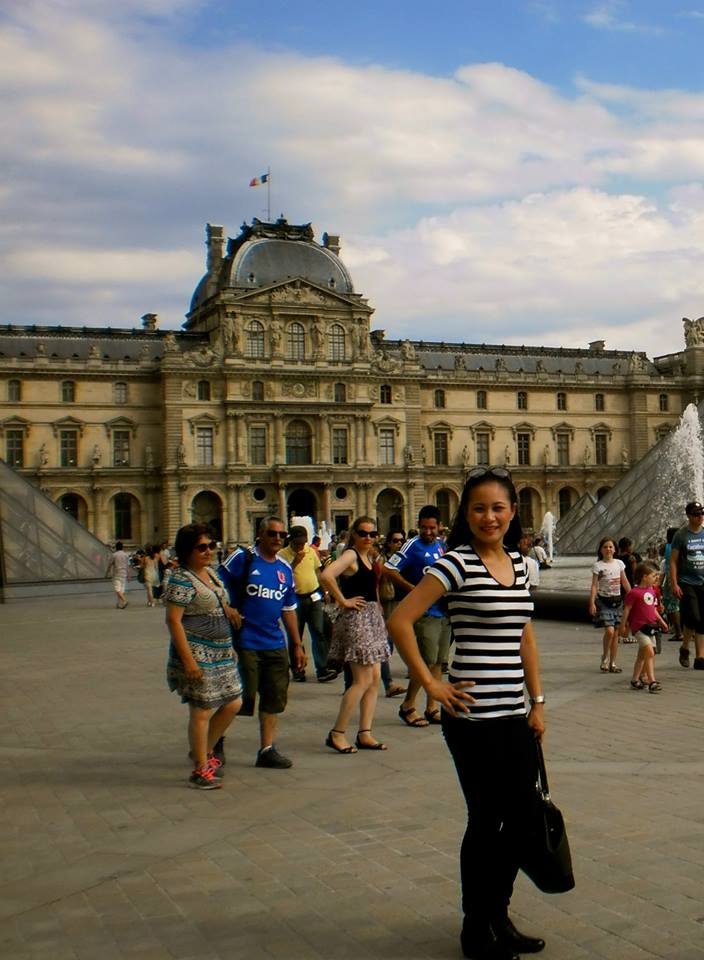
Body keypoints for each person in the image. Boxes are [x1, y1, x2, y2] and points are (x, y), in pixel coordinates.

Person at [387, 466, 546, 960]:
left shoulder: (520, 564)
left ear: (513, 512)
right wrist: (433, 684)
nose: (489, 516)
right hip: (472, 718)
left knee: (520, 821)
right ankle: (477, 926)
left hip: (514, 715)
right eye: (478, 508)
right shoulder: (454, 564)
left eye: (498, 507)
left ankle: (498, 914)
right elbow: (401, 618)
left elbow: (524, 634)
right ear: (466, 514)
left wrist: (536, 703)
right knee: (487, 820)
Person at [218, 517, 305, 768]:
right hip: (245, 640)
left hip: (274, 643)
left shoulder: (284, 568)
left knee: (273, 698)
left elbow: (288, 608)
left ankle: (267, 749)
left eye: (281, 535)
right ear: (260, 534)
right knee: (238, 696)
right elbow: (214, 582)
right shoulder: (243, 558)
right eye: (272, 533)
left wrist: (297, 644)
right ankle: (217, 739)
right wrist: (227, 607)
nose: (277, 538)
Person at [164, 524, 242, 790]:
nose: (209, 550)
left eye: (212, 545)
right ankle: (200, 769)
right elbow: (174, 622)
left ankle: (203, 752)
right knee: (202, 710)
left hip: (221, 652)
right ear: (187, 550)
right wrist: (188, 661)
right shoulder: (181, 580)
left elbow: (219, 602)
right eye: (202, 547)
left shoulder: (210, 573)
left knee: (233, 703)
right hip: (198, 653)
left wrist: (228, 614)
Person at [319, 516, 391, 754]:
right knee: (361, 680)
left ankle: (365, 732)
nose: (368, 538)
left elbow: (372, 588)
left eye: (373, 534)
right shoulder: (351, 555)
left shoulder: (368, 556)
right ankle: (337, 733)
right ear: (354, 533)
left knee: (374, 678)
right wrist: (343, 601)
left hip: (370, 618)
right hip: (357, 620)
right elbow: (327, 575)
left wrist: (378, 609)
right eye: (363, 533)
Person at [383, 506, 449, 727]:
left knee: (438, 662)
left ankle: (432, 707)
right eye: (424, 527)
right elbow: (389, 569)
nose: (428, 532)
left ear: (439, 526)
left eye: (432, 528)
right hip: (424, 612)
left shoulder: (442, 546)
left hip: (441, 610)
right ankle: (408, 705)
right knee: (426, 661)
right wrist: (413, 590)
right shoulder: (412, 545)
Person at [278, 526, 337, 683]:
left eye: (302, 543)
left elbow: (317, 572)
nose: (300, 546)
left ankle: (322, 668)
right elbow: (281, 577)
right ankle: (298, 668)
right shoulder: (282, 555)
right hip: (293, 599)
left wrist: (324, 591)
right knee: (295, 635)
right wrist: (294, 562)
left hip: (313, 596)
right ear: (290, 541)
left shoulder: (310, 551)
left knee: (318, 631)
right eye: (296, 543)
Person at [621, 561, 668, 693]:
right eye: (654, 576)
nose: (656, 578)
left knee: (642, 656)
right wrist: (623, 626)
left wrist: (661, 621)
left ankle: (635, 680)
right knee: (649, 651)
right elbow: (627, 610)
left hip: (650, 627)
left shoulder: (651, 591)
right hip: (639, 627)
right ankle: (652, 681)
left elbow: (652, 609)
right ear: (644, 577)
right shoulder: (634, 593)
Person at [669, 500, 704, 670]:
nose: (700, 517)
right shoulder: (681, 535)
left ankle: (699, 657)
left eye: (702, 514)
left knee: (701, 620)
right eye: (697, 514)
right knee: (695, 617)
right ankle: (684, 647)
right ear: (689, 516)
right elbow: (673, 561)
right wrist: (674, 583)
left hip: (703, 582)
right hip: (687, 583)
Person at [588, 537, 631, 673]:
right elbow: (594, 585)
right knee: (610, 631)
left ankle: (613, 662)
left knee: (616, 634)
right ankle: (605, 657)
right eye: (605, 547)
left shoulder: (619, 564)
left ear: (615, 549)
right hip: (604, 602)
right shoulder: (598, 566)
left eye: (611, 547)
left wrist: (632, 597)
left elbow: (624, 582)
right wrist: (592, 602)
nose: (608, 549)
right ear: (601, 550)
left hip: (617, 601)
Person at [378, 530, 408, 698]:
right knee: (386, 644)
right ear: (388, 543)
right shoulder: (383, 560)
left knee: (405, 639)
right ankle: (387, 682)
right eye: (395, 541)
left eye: (401, 541)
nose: (399, 544)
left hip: (404, 602)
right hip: (388, 603)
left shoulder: (406, 558)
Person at [661, 526, 685, 648]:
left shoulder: (667, 547)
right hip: (681, 577)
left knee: (672, 605)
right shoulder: (678, 546)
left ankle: (678, 632)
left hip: (671, 579)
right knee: (679, 605)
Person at [106, 540, 130, 608]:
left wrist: (107, 573)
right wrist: (129, 575)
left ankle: (124, 601)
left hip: (117, 573)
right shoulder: (126, 555)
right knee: (121, 590)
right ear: (122, 547)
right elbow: (127, 566)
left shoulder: (114, 555)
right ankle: (119, 604)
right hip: (124, 573)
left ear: (116, 547)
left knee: (117, 589)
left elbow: (110, 565)